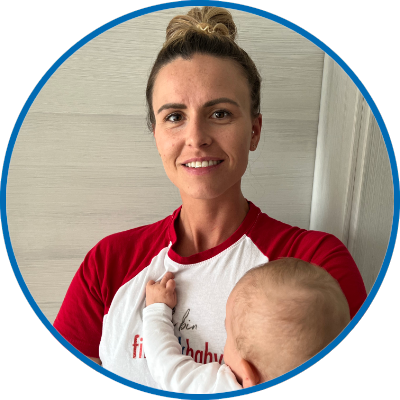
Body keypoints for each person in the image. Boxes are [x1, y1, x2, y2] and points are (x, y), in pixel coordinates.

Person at [53, 6, 367, 389]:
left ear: (254, 130)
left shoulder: (315, 267)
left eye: (219, 114)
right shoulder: (108, 264)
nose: (196, 137)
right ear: (156, 135)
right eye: (174, 117)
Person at [143, 258, 350, 393]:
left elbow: (167, 367)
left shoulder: (225, 388)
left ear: (248, 376)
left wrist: (156, 309)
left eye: (227, 333)